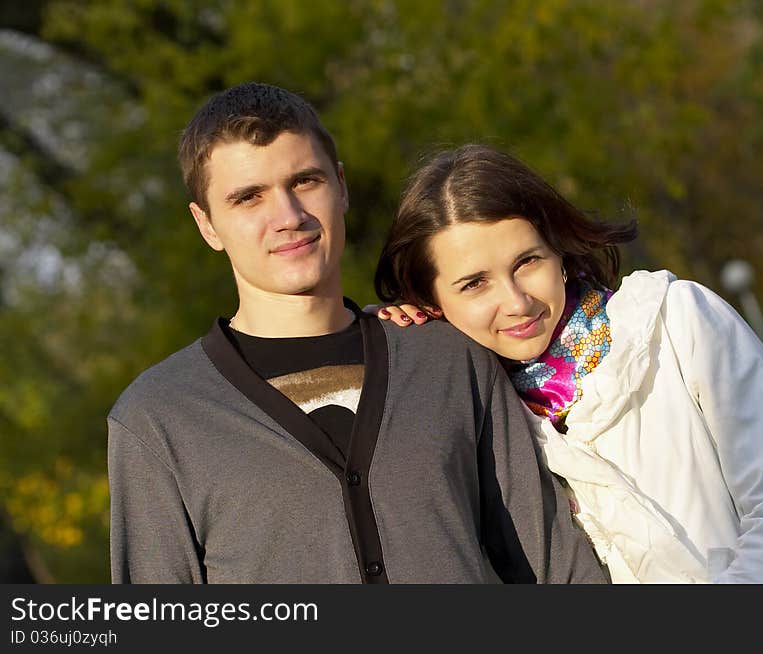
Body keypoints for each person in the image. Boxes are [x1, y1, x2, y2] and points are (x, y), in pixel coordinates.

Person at [107, 84, 605, 584]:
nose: (288, 217)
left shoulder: (449, 358)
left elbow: (558, 569)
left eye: (304, 181)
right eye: (248, 198)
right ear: (207, 225)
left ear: (340, 186)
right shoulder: (158, 417)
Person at [372, 143, 763, 583]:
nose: (516, 302)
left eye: (528, 262)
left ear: (560, 253)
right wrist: (400, 338)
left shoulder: (676, 321)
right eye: (474, 284)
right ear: (433, 302)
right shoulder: (487, 418)